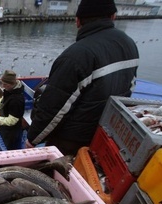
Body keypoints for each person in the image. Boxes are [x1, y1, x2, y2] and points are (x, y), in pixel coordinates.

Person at [25, 0, 139, 156]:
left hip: (71, 142)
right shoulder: (129, 44)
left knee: (59, 175)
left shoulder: (77, 55)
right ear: (113, 16)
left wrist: (32, 139)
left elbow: (54, 108)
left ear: (77, 21)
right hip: (104, 134)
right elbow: (129, 89)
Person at [0, 70, 25, 150]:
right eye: (2, 83)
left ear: (11, 84)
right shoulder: (10, 90)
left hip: (11, 131)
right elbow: (4, 97)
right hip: (5, 125)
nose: (3, 86)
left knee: (8, 147)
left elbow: (12, 120)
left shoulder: (16, 100)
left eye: (5, 84)